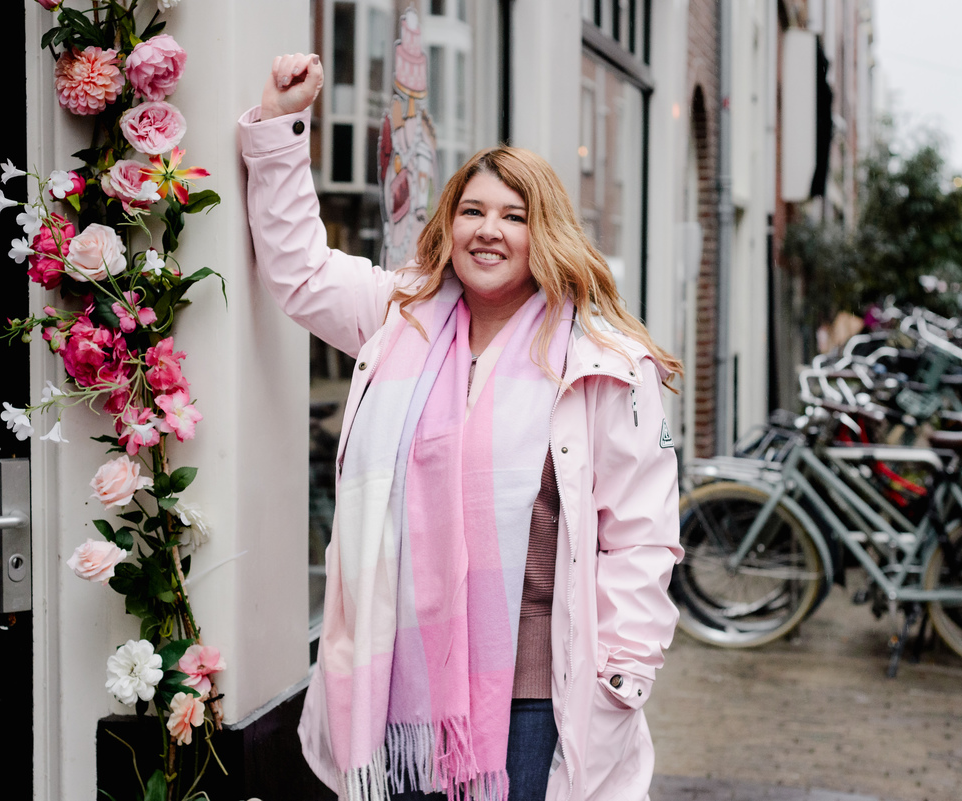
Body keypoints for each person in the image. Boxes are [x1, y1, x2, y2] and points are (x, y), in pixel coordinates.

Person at [238, 52, 684, 801]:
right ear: (448, 225)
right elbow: (300, 271)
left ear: (545, 233)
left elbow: (640, 537)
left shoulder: (601, 362)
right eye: (473, 211)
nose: (489, 231)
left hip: (535, 698)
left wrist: (624, 674)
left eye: (514, 216)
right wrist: (282, 126)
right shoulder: (401, 317)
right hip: (394, 691)